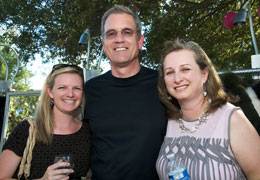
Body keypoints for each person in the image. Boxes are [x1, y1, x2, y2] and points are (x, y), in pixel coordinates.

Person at [156, 39, 260, 179]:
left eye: (185, 69)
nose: (177, 78)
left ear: (204, 74)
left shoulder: (232, 120)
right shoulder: (168, 121)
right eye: (169, 72)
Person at [85, 5, 167, 180]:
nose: (119, 39)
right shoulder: (89, 91)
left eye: (127, 32)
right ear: (103, 42)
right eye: (111, 33)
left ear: (140, 41)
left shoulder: (164, 84)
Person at [0, 64, 91, 179]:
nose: (70, 94)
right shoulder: (27, 130)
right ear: (50, 92)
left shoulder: (88, 131)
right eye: (62, 87)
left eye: (76, 88)